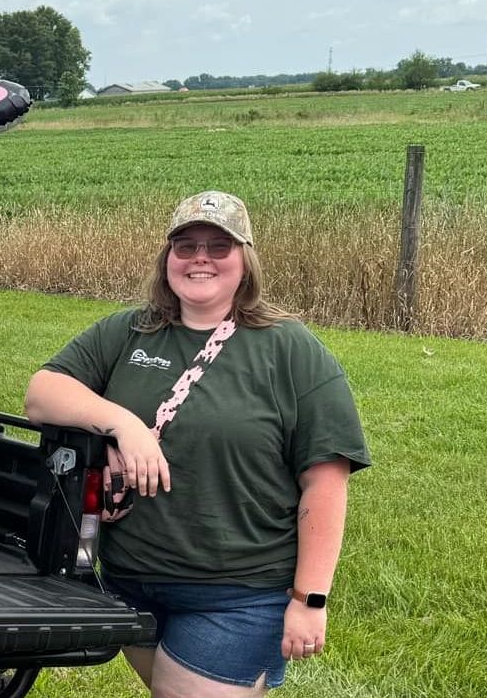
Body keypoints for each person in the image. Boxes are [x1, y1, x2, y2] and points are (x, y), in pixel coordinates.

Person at [23, 191, 370, 696]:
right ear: (167, 259)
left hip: (238, 594)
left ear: (245, 261)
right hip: (128, 581)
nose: (200, 258)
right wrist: (123, 424)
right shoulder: (131, 331)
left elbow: (326, 480)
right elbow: (42, 393)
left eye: (218, 246)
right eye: (185, 246)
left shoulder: (291, 348)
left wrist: (309, 599)